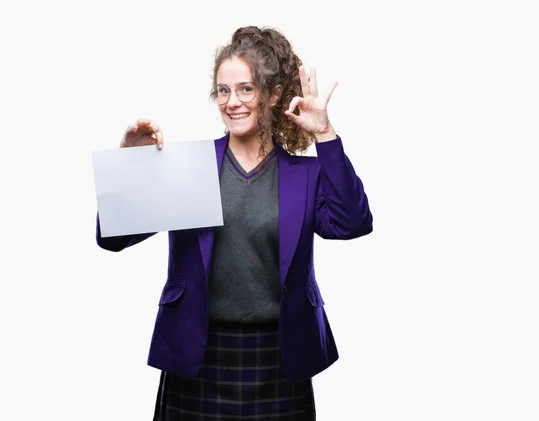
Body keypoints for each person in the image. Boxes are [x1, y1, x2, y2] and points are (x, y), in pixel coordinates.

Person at [96, 25, 373, 420]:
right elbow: (113, 238)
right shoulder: (190, 168)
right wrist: (130, 167)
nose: (232, 102)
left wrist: (324, 134)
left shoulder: (303, 175)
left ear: (273, 94)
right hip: (198, 356)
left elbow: (353, 222)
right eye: (223, 91)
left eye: (246, 89)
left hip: (280, 359)